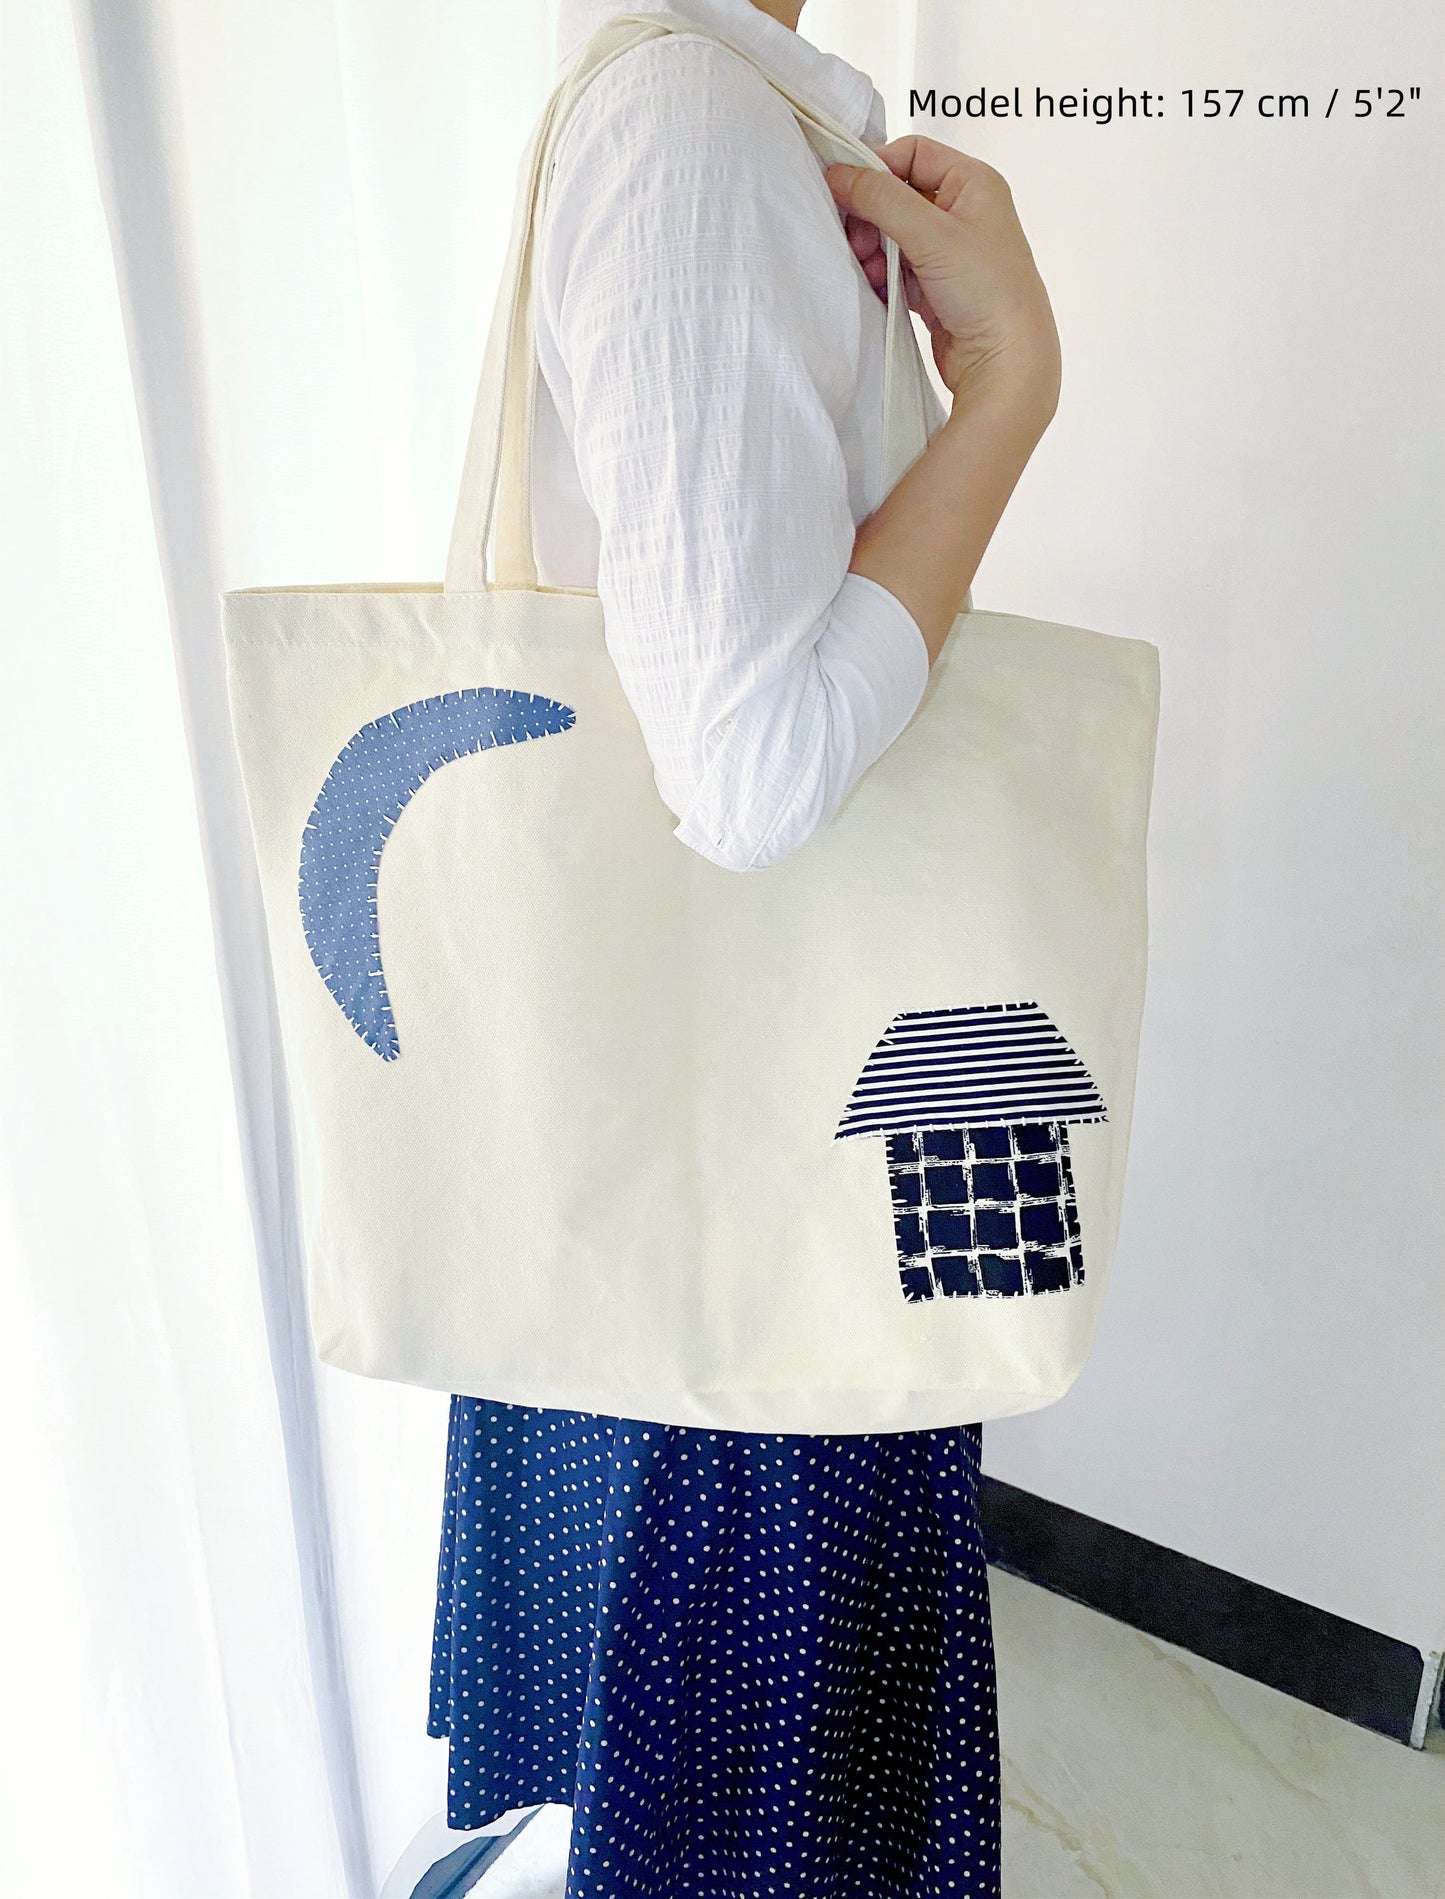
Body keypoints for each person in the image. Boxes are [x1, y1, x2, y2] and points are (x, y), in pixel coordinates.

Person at [428, 1, 1060, 1891]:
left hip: (688, 1147)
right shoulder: (689, 117)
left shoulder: (724, 113)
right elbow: (755, 770)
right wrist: (1010, 385)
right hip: (756, 1217)